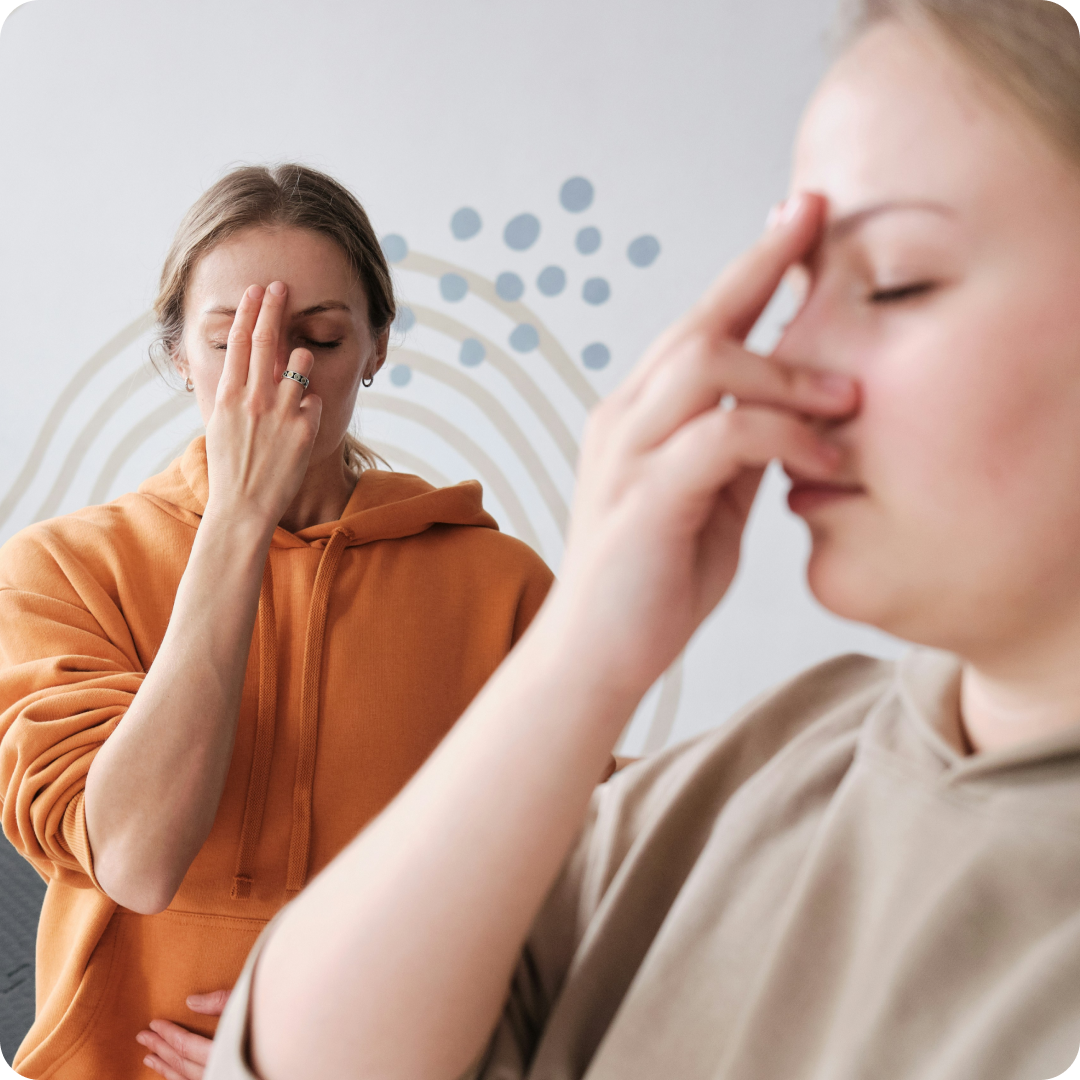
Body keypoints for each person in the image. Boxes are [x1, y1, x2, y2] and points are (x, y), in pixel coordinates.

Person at [199, 2, 1080, 1078]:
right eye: (797, 284)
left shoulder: (492, 577)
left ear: (376, 344)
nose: (786, 355)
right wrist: (588, 649)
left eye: (896, 277)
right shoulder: (772, 765)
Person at [0, 164, 553, 1080]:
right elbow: (134, 860)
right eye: (233, 340)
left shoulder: (500, 588)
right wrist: (238, 520)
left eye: (320, 338)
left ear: (375, 347)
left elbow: (563, 889)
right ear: (179, 354)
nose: (281, 375)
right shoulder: (59, 572)